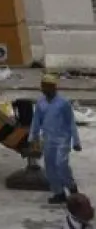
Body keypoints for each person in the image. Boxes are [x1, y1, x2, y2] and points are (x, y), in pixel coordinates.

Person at [33, 72, 82, 204]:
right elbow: (36, 122)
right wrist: (33, 139)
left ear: (54, 87)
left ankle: (72, 189)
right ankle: (59, 193)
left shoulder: (63, 103)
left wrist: (76, 141)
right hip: (48, 140)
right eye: (43, 86)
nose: (44, 89)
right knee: (50, 168)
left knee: (61, 165)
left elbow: (71, 123)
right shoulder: (40, 103)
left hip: (62, 140)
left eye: (47, 86)